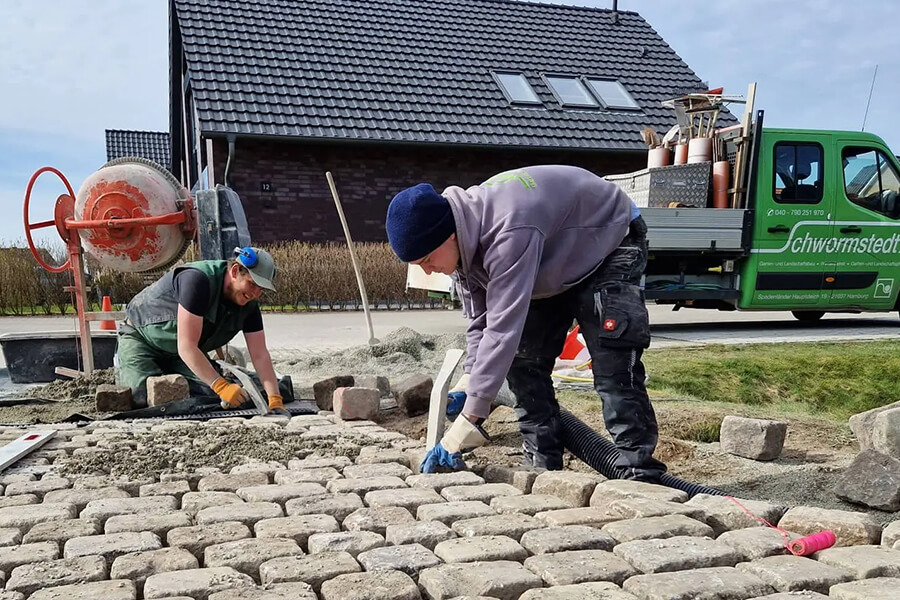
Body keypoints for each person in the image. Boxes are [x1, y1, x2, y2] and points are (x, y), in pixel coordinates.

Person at [386, 165, 666, 481]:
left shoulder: (506, 232)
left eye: (426, 260)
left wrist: (467, 424)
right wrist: (470, 384)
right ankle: (542, 466)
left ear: (448, 235)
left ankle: (639, 472)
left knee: (612, 362)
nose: (427, 271)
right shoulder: (460, 250)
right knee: (523, 360)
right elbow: (481, 322)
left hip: (606, 238)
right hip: (550, 254)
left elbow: (503, 330)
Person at [116, 246, 288, 415]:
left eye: (261, 289)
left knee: (211, 395)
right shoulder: (197, 281)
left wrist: (275, 398)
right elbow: (187, 346)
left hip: (178, 355)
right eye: (252, 284)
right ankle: (122, 366)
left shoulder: (248, 305)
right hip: (141, 340)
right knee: (142, 397)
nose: (256, 293)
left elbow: (259, 354)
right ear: (235, 271)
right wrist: (221, 386)